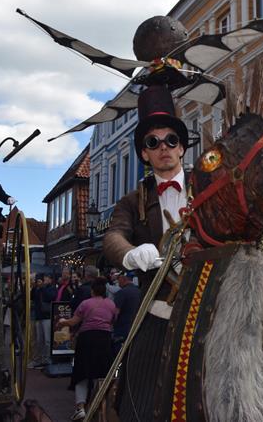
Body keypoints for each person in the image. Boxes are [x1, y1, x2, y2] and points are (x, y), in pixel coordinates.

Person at [101, 85, 191, 421]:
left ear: (182, 147)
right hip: (157, 313)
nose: (163, 148)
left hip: (208, 314)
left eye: (171, 140)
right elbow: (112, 237)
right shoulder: (130, 201)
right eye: (153, 142)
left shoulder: (209, 187)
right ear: (144, 153)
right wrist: (130, 253)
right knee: (137, 398)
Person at [57, 277, 117, 421]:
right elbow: (113, 321)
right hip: (104, 339)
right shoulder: (111, 304)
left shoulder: (85, 303)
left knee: (81, 372)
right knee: (102, 372)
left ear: (92, 291)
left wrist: (62, 322)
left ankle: (80, 408)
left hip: (87, 339)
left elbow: (74, 321)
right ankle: (99, 404)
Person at [112, 271, 141, 352]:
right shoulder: (139, 291)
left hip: (121, 330)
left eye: (119, 278)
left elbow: (115, 313)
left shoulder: (122, 293)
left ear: (123, 278)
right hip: (134, 328)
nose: (118, 281)